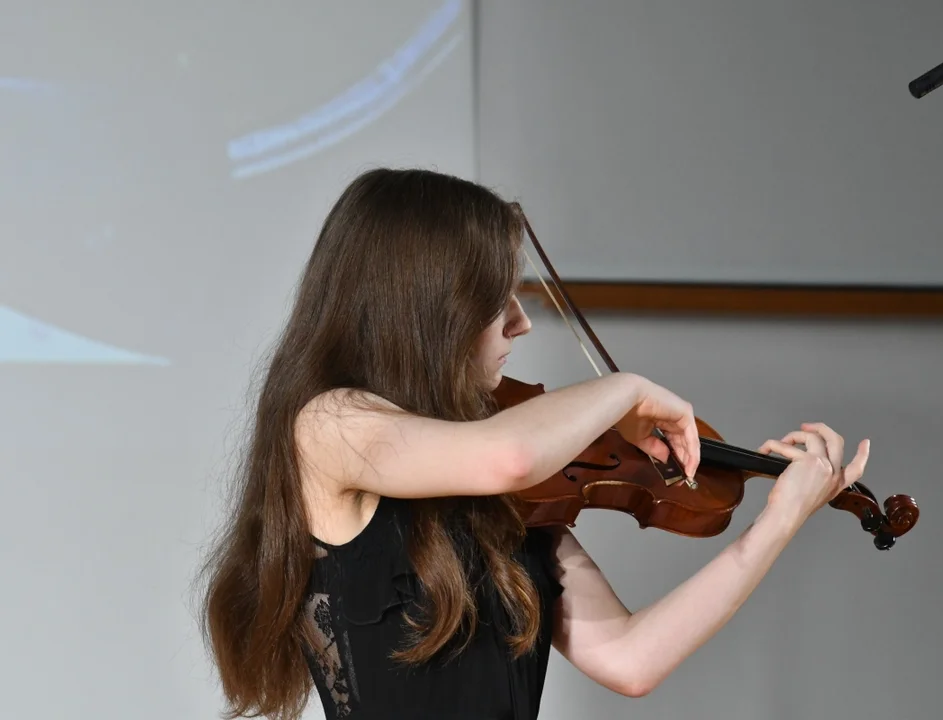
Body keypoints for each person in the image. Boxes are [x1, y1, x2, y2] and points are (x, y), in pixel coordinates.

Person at [199, 167, 870, 720]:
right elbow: (507, 454)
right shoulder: (329, 425)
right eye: (499, 300)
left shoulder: (517, 499)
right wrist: (628, 389)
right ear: (431, 304)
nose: (520, 324)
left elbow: (632, 659)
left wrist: (780, 521)